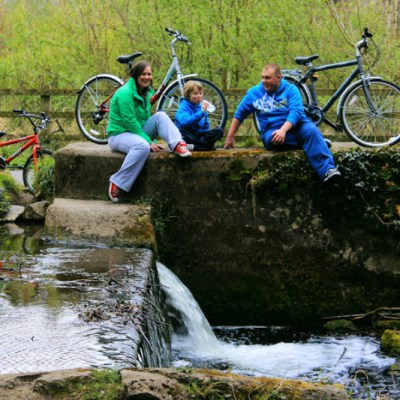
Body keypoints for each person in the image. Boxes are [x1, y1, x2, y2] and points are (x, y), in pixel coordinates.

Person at [224, 63, 341, 182]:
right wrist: (230, 137)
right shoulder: (254, 93)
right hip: (272, 129)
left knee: (311, 130)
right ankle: (315, 143)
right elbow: (239, 114)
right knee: (273, 140)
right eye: (263, 77)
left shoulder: (291, 89)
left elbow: (296, 112)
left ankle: (328, 170)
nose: (264, 81)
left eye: (268, 78)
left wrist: (283, 130)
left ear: (279, 77)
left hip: (297, 125)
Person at [107, 61, 192, 203]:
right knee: (142, 146)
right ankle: (118, 182)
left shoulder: (145, 92)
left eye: (149, 74)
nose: (147, 77)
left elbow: (145, 119)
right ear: (135, 75)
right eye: (143, 74)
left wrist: (150, 139)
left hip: (136, 133)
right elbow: (130, 122)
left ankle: (178, 144)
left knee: (161, 116)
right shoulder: (125, 93)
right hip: (119, 134)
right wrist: (147, 140)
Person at [175, 81, 223, 150]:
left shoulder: (201, 106)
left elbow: (206, 125)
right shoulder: (183, 106)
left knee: (219, 130)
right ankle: (203, 145)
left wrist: (207, 134)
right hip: (188, 134)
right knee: (181, 130)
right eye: (195, 93)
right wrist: (201, 113)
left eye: (200, 93)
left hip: (199, 135)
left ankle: (197, 145)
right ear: (188, 95)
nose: (199, 96)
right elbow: (185, 122)